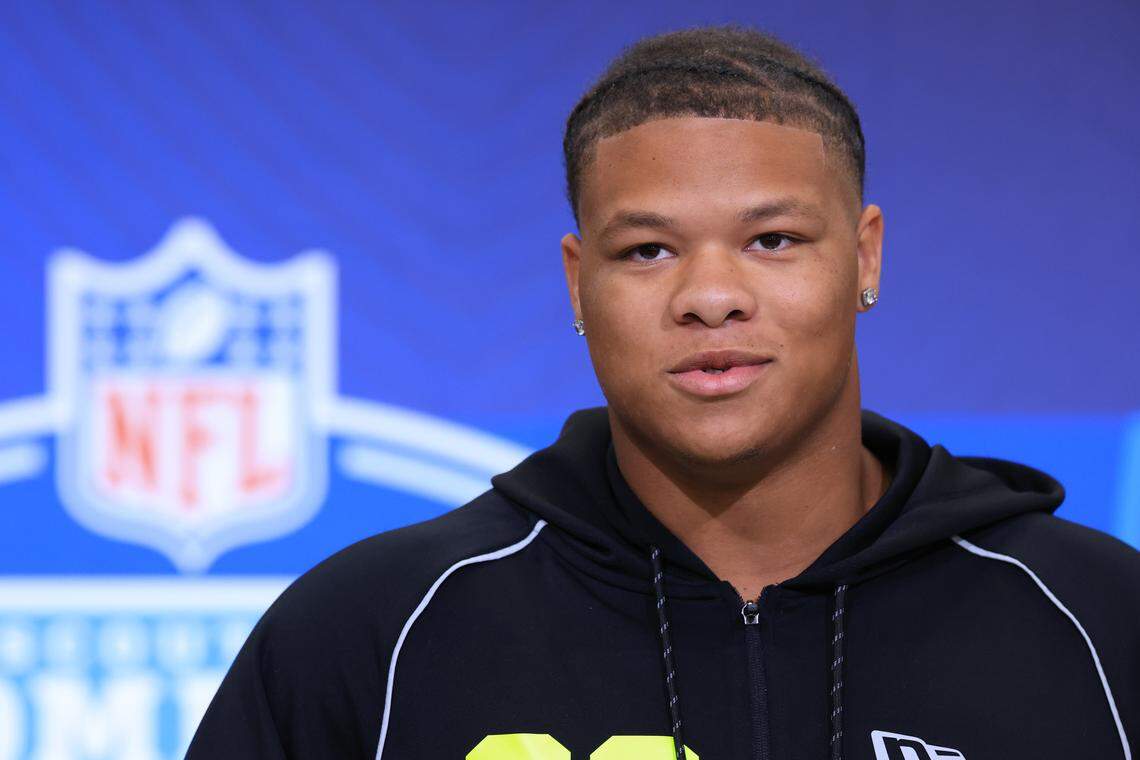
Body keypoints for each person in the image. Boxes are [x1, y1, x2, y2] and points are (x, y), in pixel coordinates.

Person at [187, 25, 1139, 760]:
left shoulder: (1101, 622)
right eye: (647, 250)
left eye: (773, 240)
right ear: (575, 282)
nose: (710, 297)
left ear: (865, 255)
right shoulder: (372, 631)